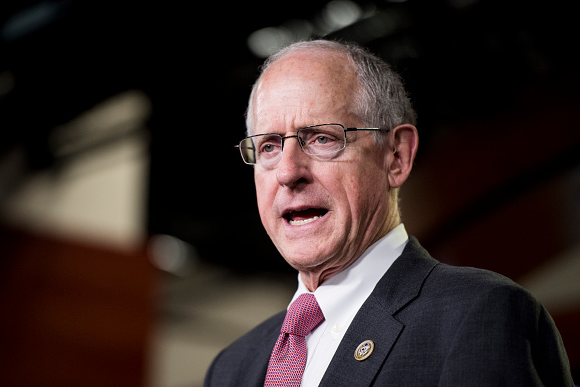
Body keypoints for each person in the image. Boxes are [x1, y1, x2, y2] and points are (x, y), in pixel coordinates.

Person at [204, 39, 573, 386]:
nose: (287, 172)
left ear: (396, 156)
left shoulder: (479, 316)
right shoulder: (232, 368)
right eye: (269, 146)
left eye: (321, 138)